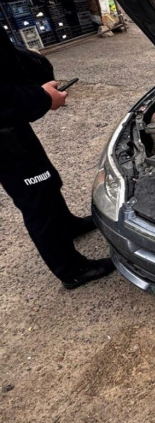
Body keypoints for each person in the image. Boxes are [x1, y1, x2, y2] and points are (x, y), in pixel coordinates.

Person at [0, 26, 114, 289]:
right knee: (35, 196)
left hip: (11, 123)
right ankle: (71, 270)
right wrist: (42, 97)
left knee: (45, 179)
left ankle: (66, 225)